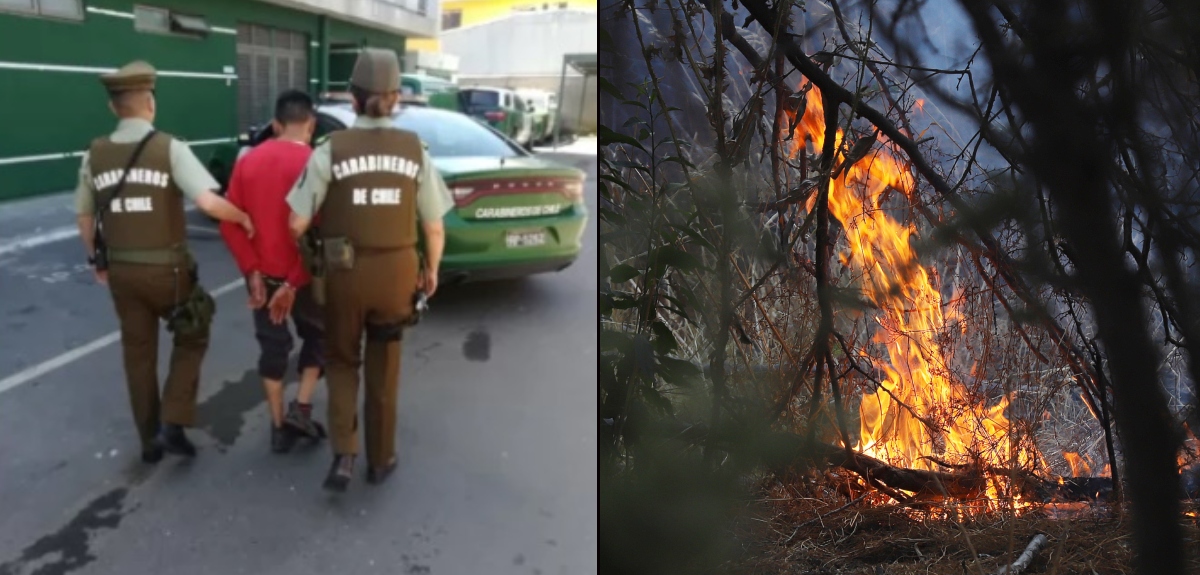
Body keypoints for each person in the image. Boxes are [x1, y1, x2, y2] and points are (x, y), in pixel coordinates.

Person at [286, 47, 451, 492]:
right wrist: (430, 270)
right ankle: (381, 460)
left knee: (341, 361)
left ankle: (344, 454)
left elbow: (296, 221)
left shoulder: (330, 149)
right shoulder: (415, 150)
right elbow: (434, 227)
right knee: (385, 367)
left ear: (353, 99)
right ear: (396, 98)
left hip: (344, 275)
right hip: (398, 275)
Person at [74, 61, 255, 463]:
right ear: (150, 104)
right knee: (194, 331)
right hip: (168, 273)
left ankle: (148, 440)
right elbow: (207, 201)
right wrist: (242, 217)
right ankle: (174, 419)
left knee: (137, 353)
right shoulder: (170, 148)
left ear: (113, 109)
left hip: (122, 272)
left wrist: (96, 259)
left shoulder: (95, 154)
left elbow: (85, 217)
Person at [219, 89, 326, 453]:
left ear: (276, 125)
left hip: (263, 281)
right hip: (306, 280)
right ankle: (303, 406)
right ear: (309, 124)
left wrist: (251, 271)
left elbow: (229, 222)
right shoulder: (317, 165)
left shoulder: (247, 163)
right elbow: (320, 233)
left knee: (273, 349)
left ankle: (278, 425)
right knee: (319, 338)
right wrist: (294, 282)